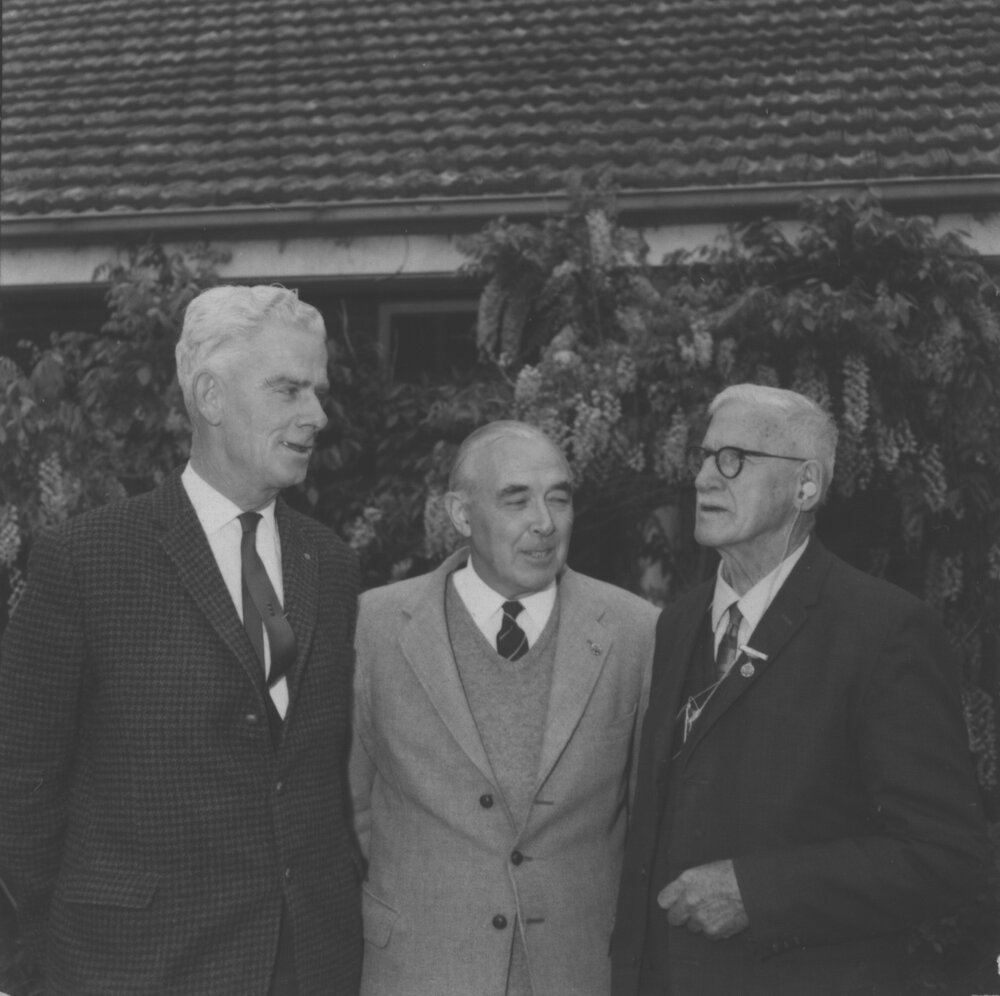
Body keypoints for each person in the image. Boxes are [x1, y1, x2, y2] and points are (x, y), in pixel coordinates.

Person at [0, 285, 363, 995]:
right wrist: (74, 932)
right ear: (212, 396)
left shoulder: (335, 563)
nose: (316, 415)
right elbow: (19, 780)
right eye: (289, 389)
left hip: (310, 965)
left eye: (316, 391)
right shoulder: (86, 559)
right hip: (131, 966)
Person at [610, 384, 989, 996]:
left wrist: (759, 894)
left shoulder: (884, 629)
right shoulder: (677, 622)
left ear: (806, 486)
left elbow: (946, 857)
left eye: (733, 458)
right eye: (705, 457)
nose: (706, 477)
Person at [349, 420, 659, 996]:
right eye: (516, 500)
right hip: (420, 969)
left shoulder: (635, 631)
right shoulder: (375, 625)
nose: (544, 522)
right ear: (461, 516)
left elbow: (644, 816)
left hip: (579, 971)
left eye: (559, 499)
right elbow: (352, 807)